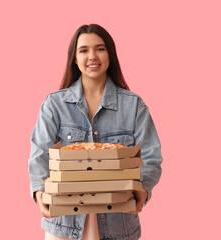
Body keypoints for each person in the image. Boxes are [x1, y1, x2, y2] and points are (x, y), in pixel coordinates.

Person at [28, 24, 163, 240]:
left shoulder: (134, 106)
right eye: (83, 50)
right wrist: (39, 192)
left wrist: (143, 189)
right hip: (64, 224)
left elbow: (151, 156)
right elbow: (39, 154)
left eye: (100, 48)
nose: (92, 56)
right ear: (74, 58)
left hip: (119, 222)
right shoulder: (54, 105)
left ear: (110, 54)